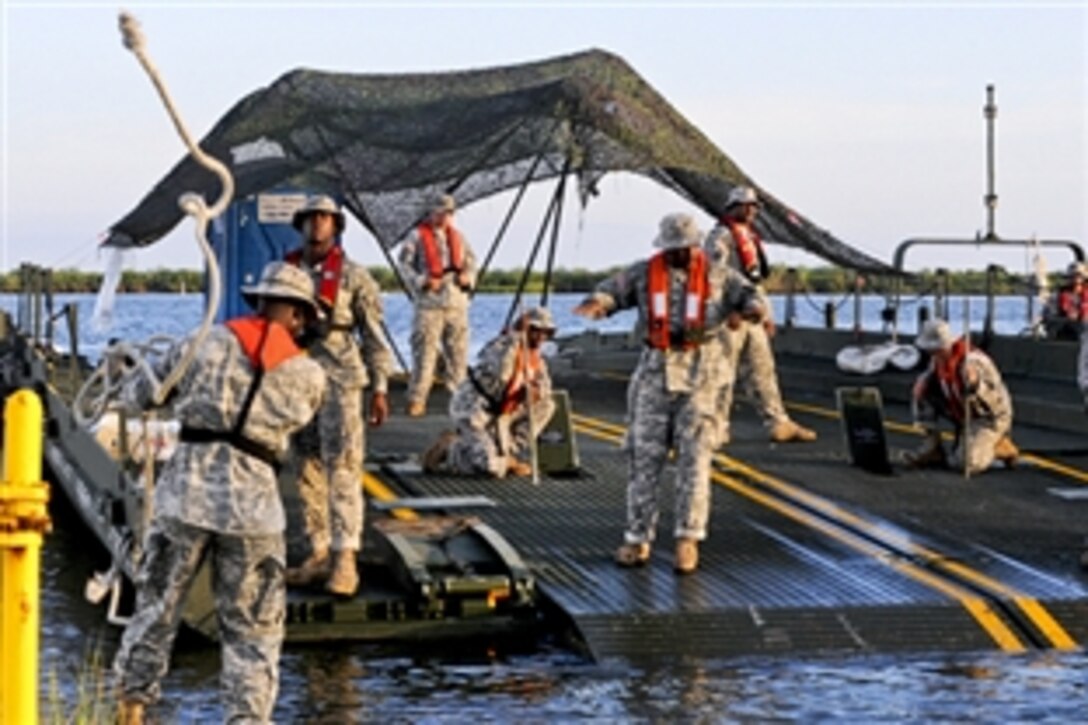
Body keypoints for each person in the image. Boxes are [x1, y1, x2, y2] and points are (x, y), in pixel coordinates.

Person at [113, 262, 327, 724]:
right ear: (300, 315)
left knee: (155, 612)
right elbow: (300, 425)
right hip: (255, 512)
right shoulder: (310, 375)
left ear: (258, 301)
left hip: (184, 499)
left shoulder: (203, 342)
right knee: (252, 635)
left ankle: (131, 709)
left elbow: (138, 396)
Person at [573, 213, 762, 574]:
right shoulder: (645, 273)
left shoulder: (719, 274)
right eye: (673, 250)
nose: (679, 256)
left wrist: (751, 311)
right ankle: (636, 537)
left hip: (702, 376)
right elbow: (613, 289)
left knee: (695, 460)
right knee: (643, 459)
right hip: (655, 374)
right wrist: (598, 302)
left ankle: (688, 539)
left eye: (684, 249)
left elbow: (751, 296)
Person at [283, 195, 392, 597]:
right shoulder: (285, 272)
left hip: (341, 379)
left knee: (342, 467)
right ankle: (318, 551)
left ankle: (346, 558)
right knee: (306, 466)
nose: (317, 225)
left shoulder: (355, 277)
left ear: (336, 226)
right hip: (296, 379)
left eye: (325, 218)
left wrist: (380, 387)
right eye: (311, 218)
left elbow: (375, 335)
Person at [705, 186, 817, 444]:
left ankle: (778, 421)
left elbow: (754, 281)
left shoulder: (749, 237)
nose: (753, 210)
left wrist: (766, 313)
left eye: (755, 206)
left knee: (762, 370)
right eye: (747, 206)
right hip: (729, 317)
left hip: (751, 313)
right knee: (723, 373)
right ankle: (716, 426)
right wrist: (729, 309)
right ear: (734, 206)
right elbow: (716, 276)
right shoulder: (721, 237)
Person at [422, 307, 557, 479]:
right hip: (475, 411)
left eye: (547, 333)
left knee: (548, 405)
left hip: (501, 415)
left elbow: (544, 389)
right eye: (535, 330)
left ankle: (507, 451)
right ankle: (451, 449)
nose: (541, 337)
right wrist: (515, 336)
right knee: (489, 467)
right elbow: (501, 372)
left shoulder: (537, 361)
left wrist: (535, 393)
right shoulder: (501, 347)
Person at [904, 319, 1019, 474]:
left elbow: (995, 403)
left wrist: (975, 385)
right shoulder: (937, 361)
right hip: (960, 411)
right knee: (922, 392)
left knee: (966, 463)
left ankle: (999, 446)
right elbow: (931, 382)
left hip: (988, 417)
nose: (931, 353)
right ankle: (932, 446)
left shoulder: (975, 362)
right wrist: (922, 383)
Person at [398, 192, 478, 416]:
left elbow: (471, 263)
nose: (444, 217)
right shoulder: (415, 237)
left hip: (456, 303)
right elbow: (404, 265)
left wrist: (468, 278)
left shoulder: (459, 238)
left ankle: (459, 400)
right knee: (424, 353)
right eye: (440, 212)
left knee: (458, 355)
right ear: (431, 212)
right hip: (429, 303)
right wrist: (421, 281)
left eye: (449, 212)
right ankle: (417, 398)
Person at [1044, 262, 1088, 341]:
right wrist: (1065, 318)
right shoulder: (1057, 295)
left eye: (1079, 276)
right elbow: (1048, 317)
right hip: (1063, 330)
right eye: (1072, 276)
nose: (1076, 278)